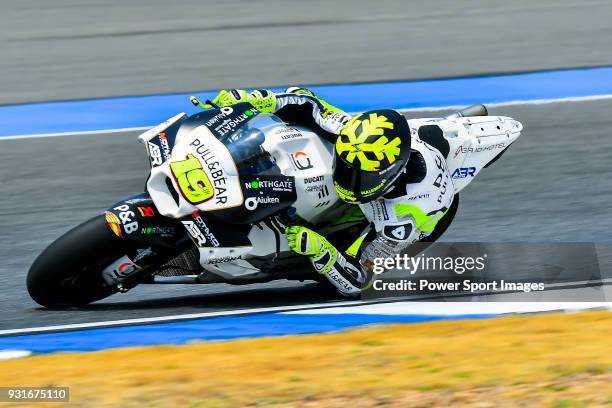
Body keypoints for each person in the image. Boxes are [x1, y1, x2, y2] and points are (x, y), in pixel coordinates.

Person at [206, 87, 455, 296]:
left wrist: (322, 251)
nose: (349, 179)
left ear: (389, 176)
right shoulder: (350, 133)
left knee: (326, 273)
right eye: (346, 167)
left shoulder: (405, 217)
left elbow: (361, 281)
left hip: (411, 215)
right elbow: (305, 100)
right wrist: (257, 99)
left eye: (360, 176)